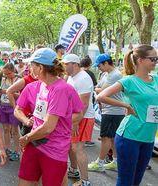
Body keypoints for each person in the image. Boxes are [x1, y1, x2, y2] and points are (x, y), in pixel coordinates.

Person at [15, 48, 83, 186]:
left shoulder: (60, 89)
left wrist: (26, 138)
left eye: (32, 65)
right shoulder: (41, 85)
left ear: (40, 67)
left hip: (53, 149)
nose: (29, 68)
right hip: (35, 143)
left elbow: (48, 127)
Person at [97, 44, 158, 186]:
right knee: (125, 182)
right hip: (129, 137)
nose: (156, 61)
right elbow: (101, 97)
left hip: (148, 138)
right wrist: (126, 106)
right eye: (153, 58)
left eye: (157, 58)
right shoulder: (129, 81)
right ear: (140, 60)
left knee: (136, 181)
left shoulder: (156, 79)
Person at [87, 54, 124, 173]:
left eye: (99, 65)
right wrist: (98, 89)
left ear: (106, 63)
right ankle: (115, 161)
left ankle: (100, 162)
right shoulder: (105, 74)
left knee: (105, 138)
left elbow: (102, 90)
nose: (98, 68)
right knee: (112, 138)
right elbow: (98, 87)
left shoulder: (115, 75)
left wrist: (98, 89)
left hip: (113, 111)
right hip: (109, 110)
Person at [62, 54, 95, 186]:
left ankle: (85, 181)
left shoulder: (83, 79)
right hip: (76, 117)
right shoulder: (71, 77)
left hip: (83, 117)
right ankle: (74, 170)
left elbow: (84, 104)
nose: (63, 66)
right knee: (72, 146)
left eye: (66, 64)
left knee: (78, 148)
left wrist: (75, 121)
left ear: (74, 64)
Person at [0, 63, 21, 161]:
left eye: (8, 73)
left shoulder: (18, 80)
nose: (7, 75)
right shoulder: (4, 79)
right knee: (6, 129)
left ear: (13, 71)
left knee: (15, 130)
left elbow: (20, 96)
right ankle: (7, 148)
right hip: (3, 106)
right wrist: (0, 92)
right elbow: (0, 94)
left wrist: (8, 92)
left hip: (13, 107)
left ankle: (17, 151)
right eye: (5, 74)